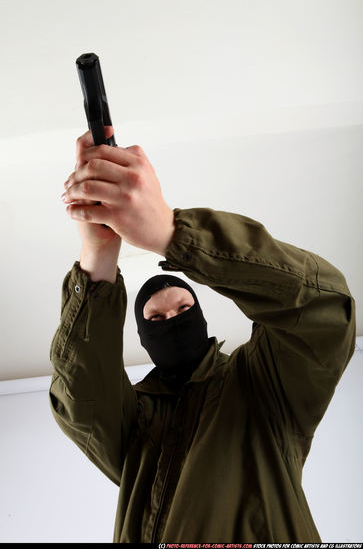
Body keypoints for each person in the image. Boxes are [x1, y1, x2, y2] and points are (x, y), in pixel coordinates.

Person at [50, 127, 356, 543]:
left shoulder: (261, 384)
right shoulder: (134, 422)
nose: (172, 320)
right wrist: (97, 255)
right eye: (156, 321)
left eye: (183, 309)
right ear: (143, 339)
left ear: (202, 316)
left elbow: (322, 309)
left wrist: (171, 234)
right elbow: (79, 394)